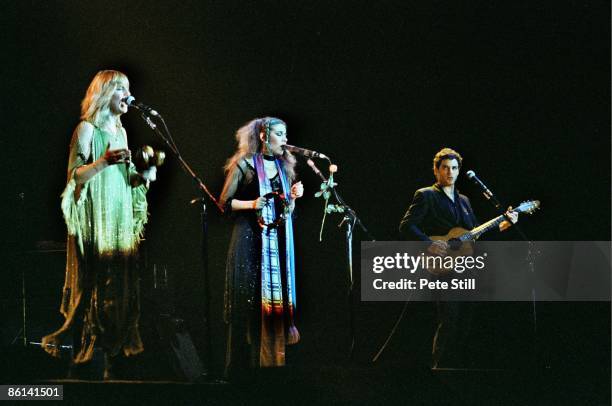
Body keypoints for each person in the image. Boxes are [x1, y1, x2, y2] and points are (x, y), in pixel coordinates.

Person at [41, 70, 157, 379]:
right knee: (92, 287)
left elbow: (126, 179)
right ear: (105, 94)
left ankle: (113, 360)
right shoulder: (87, 130)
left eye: (128, 90)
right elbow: (74, 177)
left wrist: (144, 176)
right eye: (121, 89)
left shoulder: (122, 132)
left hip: (117, 220)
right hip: (95, 220)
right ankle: (82, 360)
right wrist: (103, 161)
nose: (127, 97)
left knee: (117, 289)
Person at [399, 147, 517, 368]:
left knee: (467, 318)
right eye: (445, 168)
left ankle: (456, 367)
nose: (449, 173)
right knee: (449, 319)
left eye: (454, 168)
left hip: (464, 266)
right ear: (436, 170)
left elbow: (473, 233)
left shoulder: (464, 200)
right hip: (441, 266)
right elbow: (406, 226)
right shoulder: (426, 195)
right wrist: (430, 244)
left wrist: (502, 224)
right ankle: (440, 368)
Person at [220, 117, 304, 379]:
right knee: (247, 306)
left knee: (271, 306)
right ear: (264, 136)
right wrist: (252, 204)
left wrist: (292, 197)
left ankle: (269, 373)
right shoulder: (244, 164)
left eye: (286, 134)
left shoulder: (283, 167)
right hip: (248, 240)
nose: (285, 140)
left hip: (275, 243)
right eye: (279, 134)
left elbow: (286, 212)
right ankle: (239, 374)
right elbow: (224, 203)